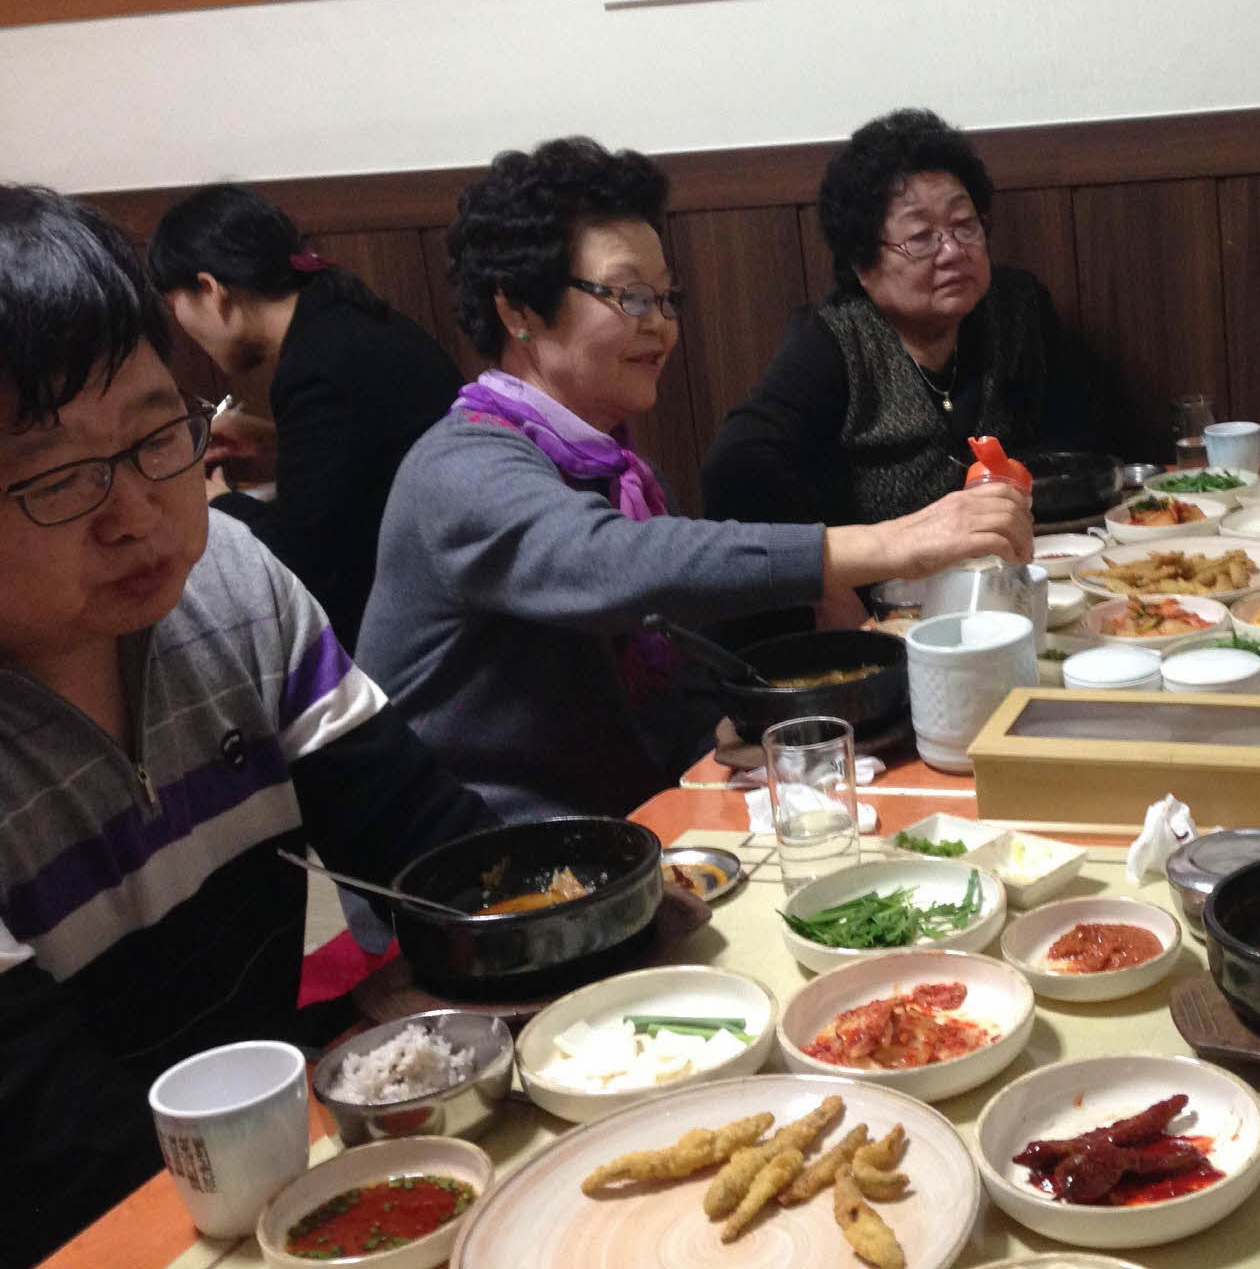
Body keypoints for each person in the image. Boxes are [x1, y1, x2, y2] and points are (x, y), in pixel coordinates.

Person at [0, 186, 494, 1263]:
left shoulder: (225, 576)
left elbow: (422, 840)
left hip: (308, 1167)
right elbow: (53, 1144)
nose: (131, 508)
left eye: (152, 438)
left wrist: (581, 935)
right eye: (52, 475)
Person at [357, 136, 1032, 821]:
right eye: (629, 296)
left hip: (627, 818)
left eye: (665, 297)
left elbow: (667, 666)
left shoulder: (621, 471)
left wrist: (722, 741)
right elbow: (611, 566)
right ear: (519, 310)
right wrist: (892, 543)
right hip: (486, 862)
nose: (660, 327)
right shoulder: (460, 469)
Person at [700, 108, 1105, 623]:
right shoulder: (834, 341)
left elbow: (1077, 442)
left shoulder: (1017, 307)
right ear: (862, 263)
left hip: (1023, 592)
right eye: (920, 237)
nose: (953, 251)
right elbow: (736, 470)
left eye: (965, 225)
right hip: (889, 617)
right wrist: (828, 590)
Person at [146, 184, 463, 651]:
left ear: (211, 291)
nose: (184, 329)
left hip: (421, 627)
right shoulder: (346, 319)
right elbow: (367, 465)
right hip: (444, 580)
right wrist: (274, 443)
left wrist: (218, 500)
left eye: (177, 308)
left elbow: (303, 557)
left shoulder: (317, 365)